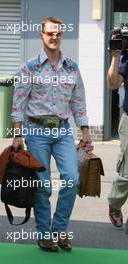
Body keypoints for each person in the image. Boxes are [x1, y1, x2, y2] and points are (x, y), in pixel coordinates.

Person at [11, 16, 90, 251]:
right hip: (36, 132)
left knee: (72, 180)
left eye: (58, 33)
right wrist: (17, 135)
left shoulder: (72, 67)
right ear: (42, 35)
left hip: (63, 131)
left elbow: (78, 101)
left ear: (61, 35)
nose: (54, 37)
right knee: (43, 185)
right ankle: (45, 234)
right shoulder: (29, 68)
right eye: (49, 33)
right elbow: (18, 103)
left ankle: (60, 229)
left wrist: (85, 130)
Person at [107, 38, 128, 228]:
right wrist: (115, 57)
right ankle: (115, 203)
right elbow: (113, 84)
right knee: (127, 172)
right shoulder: (125, 59)